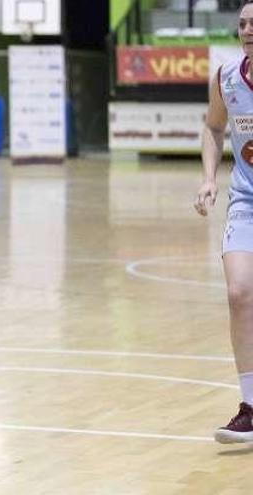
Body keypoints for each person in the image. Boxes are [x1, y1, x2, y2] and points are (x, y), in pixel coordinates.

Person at [197, 0, 253, 445]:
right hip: (246, 199)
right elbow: (214, 128)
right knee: (238, 293)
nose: (248, 30)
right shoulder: (227, 78)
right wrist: (209, 179)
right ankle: (250, 407)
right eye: (243, 23)